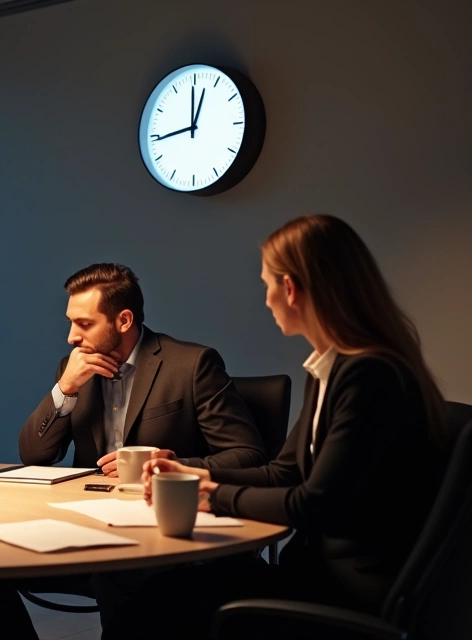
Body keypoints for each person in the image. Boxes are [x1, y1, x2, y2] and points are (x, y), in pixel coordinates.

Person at [135, 214, 447, 639]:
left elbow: (315, 504)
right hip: (319, 573)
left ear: (292, 289)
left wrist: (213, 497)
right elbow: (284, 473)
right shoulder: (328, 370)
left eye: (266, 285)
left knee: (159, 600)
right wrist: (196, 474)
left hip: (349, 589)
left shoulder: (369, 376)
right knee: (165, 589)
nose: (265, 299)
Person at [0, 262, 267, 639]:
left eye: (85, 324)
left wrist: (173, 466)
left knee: (117, 578)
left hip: (159, 534)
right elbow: (35, 454)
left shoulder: (191, 365)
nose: (72, 337)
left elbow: (247, 454)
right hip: (85, 523)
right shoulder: (73, 367)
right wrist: (66, 388)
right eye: (70, 322)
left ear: (123, 320)